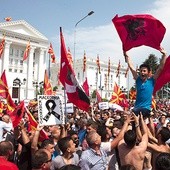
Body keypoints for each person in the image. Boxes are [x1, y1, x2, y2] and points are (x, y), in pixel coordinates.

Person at [124, 47, 167, 117]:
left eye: (144, 71)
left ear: (148, 72)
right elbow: (131, 67)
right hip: (136, 108)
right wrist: (127, 55)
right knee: (134, 125)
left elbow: (160, 68)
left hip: (146, 109)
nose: (142, 72)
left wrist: (164, 55)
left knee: (144, 126)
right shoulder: (137, 80)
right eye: (141, 71)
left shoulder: (152, 80)